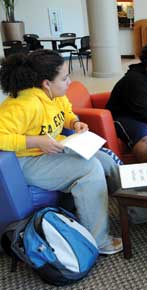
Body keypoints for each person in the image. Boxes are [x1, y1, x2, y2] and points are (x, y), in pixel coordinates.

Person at [0, 50, 123, 255]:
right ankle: (98, 240)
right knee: (90, 169)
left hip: (53, 150)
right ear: (46, 83)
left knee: (105, 159)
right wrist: (35, 141)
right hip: (28, 161)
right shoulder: (22, 105)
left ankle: (137, 212)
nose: (69, 82)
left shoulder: (55, 96)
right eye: (65, 78)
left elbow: (66, 112)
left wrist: (75, 123)